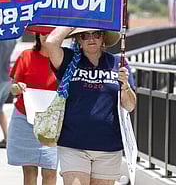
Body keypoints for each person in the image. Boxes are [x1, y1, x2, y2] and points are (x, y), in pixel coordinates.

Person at [45, 27, 136, 185]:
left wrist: (125, 86)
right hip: (73, 144)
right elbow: (51, 43)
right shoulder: (68, 59)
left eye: (96, 34)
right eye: (84, 35)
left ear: (103, 38)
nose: (91, 38)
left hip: (109, 146)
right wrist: (76, 21)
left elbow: (130, 106)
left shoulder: (117, 62)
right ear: (79, 40)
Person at [7, 32, 58, 185]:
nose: (46, 35)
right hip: (25, 119)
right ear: (37, 35)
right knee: (29, 171)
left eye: (50, 32)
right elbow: (13, 89)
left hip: (52, 123)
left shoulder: (63, 58)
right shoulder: (26, 55)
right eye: (42, 32)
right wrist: (18, 87)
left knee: (50, 171)